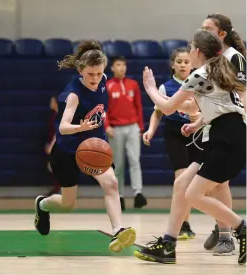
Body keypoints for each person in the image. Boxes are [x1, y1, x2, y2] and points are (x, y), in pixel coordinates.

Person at [134, 30, 246, 265]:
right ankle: (168, 244)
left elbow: (168, 108)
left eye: (191, 48)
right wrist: (198, 122)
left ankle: (241, 228)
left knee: (193, 194)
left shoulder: (201, 74)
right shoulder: (218, 69)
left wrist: (150, 88)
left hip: (227, 138)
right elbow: (201, 105)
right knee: (182, 184)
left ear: (197, 52)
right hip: (223, 135)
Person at [34, 40, 136, 253]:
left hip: (94, 147)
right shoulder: (73, 94)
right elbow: (62, 127)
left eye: (99, 74)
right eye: (91, 74)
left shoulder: (103, 80)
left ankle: (118, 230)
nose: (96, 79)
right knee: (68, 204)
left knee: (111, 183)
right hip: (68, 151)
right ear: (81, 70)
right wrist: (81, 127)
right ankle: (42, 205)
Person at [200, 13, 246, 254]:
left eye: (208, 28)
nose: (203, 31)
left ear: (221, 34)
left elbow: (241, 93)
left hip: (234, 125)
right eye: (202, 28)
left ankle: (227, 233)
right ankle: (223, 224)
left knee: (219, 183)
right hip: (214, 125)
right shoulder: (212, 60)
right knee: (211, 185)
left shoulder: (233, 57)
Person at [143, 47, 198, 240]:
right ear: (172, 65)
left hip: (196, 133)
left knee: (193, 181)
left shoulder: (199, 83)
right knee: (182, 177)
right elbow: (157, 112)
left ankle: (186, 222)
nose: (183, 65)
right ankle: (182, 223)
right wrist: (151, 130)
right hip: (175, 133)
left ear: (192, 64)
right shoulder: (166, 87)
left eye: (186, 61)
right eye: (179, 62)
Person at [105, 56, 146, 210]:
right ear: (112, 68)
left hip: (133, 127)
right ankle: (119, 195)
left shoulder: (133, 84)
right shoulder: (108, 85)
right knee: (119, 164)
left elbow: (139, 106)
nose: (122, 67)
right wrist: (107, 126)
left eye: (124, 64)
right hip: (115, 129)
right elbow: (104, 109)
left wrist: (140, 127)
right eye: (118, 65)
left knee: (135, 160)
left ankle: (138, 193)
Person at [44, 95, 60, 196]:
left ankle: (57, 189)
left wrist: (51, 146)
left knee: (54, 166)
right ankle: (57, 188)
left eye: (52, 102)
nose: (50, 104)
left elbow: (58, 133)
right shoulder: (55, 115)